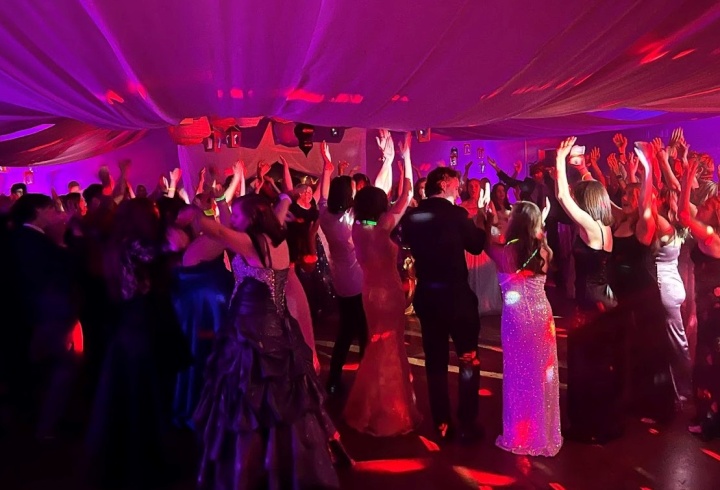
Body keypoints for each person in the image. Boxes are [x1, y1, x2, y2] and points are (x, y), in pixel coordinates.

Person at [185, 193, 348, 489]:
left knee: (253, 398)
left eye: (237, 215)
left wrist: (195, 211)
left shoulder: (251, 244)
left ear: (252, 217)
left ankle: (257, 468)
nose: (233, 220)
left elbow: (215, 229)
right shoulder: (277, 239)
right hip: (277, 328)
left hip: (254, 333)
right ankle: (286, 463)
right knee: (284, 398)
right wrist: (285, 197)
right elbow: (277, 209)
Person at [400, 166, 486, 442]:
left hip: (429, 295)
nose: (459, 184)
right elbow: (475, 246)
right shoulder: (457, 214)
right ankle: (467, 422)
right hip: (456, 296)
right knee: (468, 358)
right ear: (444, 183)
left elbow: (405, 243)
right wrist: (481, 220)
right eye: (456, 180)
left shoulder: (413, 216)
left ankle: (442, 422)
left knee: (435, 361)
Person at [343, 132, 421, 436]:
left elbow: (385, 197)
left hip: (369, 292)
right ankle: (389, 409)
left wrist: (389, 158)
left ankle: (372, 404)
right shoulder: (382, 227)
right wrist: (405, 158)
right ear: (379, 205)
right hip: (388, 292)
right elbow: (408, 192)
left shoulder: (358, 227)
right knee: (389, 347)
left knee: (378, 344)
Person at [554, 137, 622, 443]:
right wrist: (582, 168)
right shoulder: (605, 226)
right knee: (601, 365)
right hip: (605, 301)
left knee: (585, 367)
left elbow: (562, 197)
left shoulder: (590, 228)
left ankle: (587, 426)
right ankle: (603, 424)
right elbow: (592, 188)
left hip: (590, 305)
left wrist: (559, 158)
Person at [486, 201, 562, 457]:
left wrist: (489, 222)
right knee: (541, 374)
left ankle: (520, 433)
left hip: (516, 318)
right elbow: (539, 236)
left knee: (518, 373)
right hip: (542, 316)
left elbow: (487, 243)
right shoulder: (544, 252)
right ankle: (543, 432)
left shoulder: (503, 252)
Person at [317, 144, 368, 395]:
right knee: (363, 331)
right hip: (356, 281)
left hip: (340, 281)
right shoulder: (348, 219)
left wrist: (327, 167)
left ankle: (334, 379)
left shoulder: (326, 216)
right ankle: (365, 379)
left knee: (345, 332)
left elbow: (323, 198)